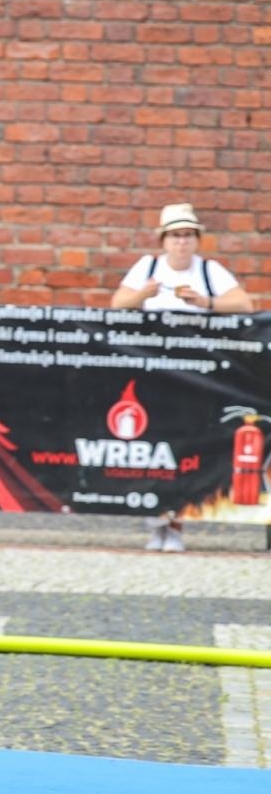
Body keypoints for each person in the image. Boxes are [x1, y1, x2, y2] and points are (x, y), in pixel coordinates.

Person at [110, 202, 254, 553]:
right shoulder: (148, 267)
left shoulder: (209, 271)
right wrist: (143, 295)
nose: (181, 243)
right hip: (152, 373)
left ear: (197, 239)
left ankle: (176, 523)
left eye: (187, 235)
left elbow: (244, 305)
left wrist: (204, 302)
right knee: (152, 444)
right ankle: (155, 521)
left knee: (185, 446)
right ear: (164, 240)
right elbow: (118, 304)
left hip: (194, 374)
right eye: (175, 235)